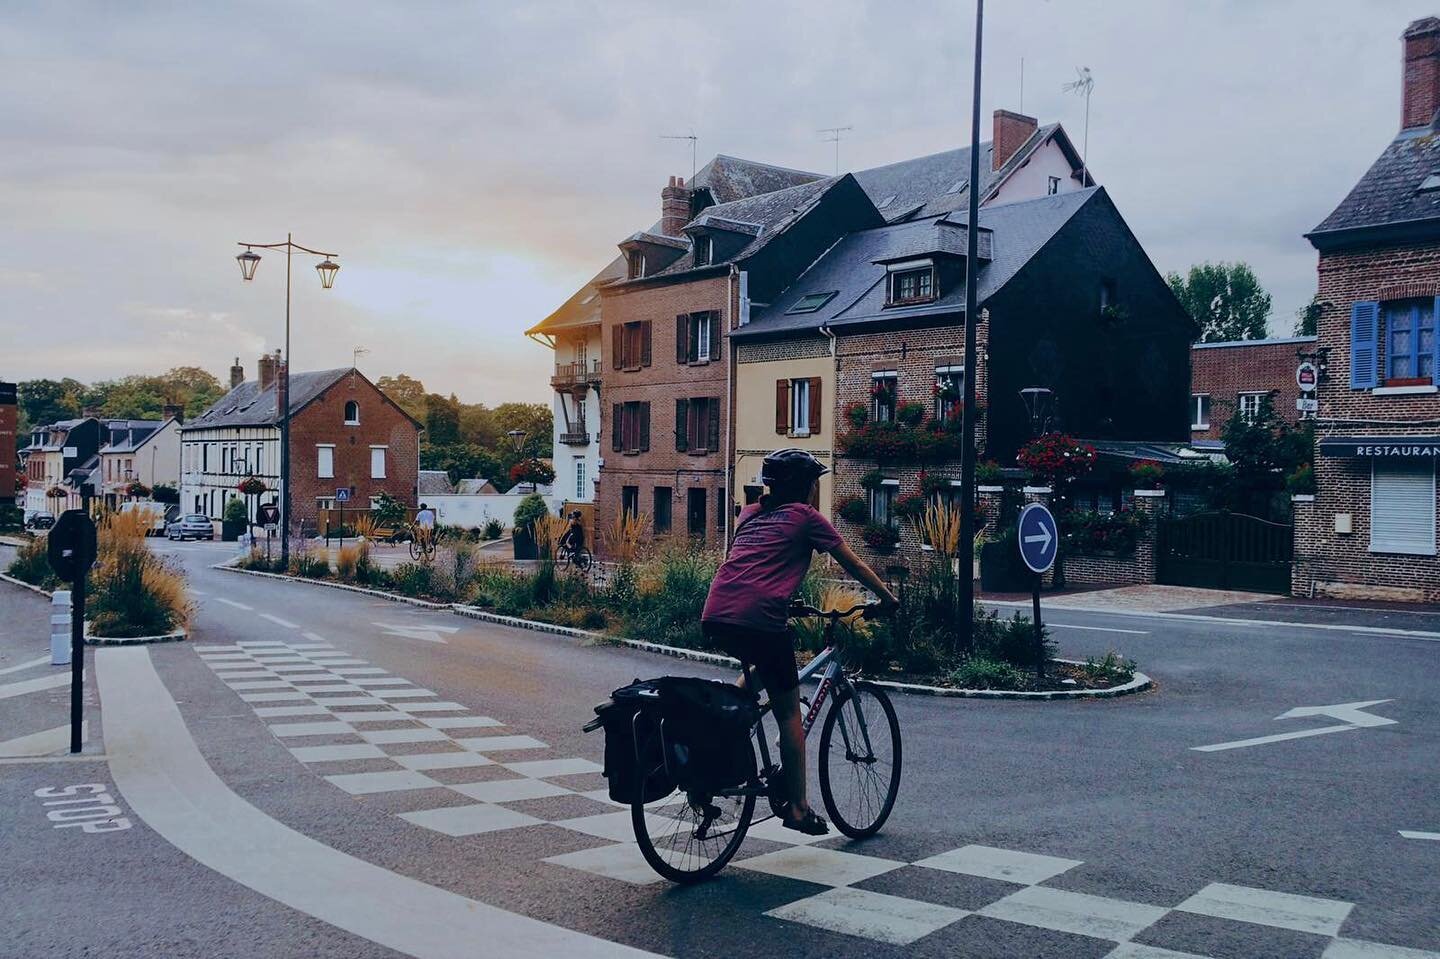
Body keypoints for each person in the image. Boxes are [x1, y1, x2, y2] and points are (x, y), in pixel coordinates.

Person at [700, 448, 898, 835]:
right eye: (814, 482)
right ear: (803, 486)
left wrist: (785, 601)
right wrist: (888, 599)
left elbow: (756, 563)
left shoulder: (751, 512)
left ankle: (730, 727)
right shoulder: (806, 518)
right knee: (789, 712)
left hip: (717, 613)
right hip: (758, 618)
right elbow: (853, 564)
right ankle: (798, 809)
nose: (815, 489)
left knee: (761, 670)